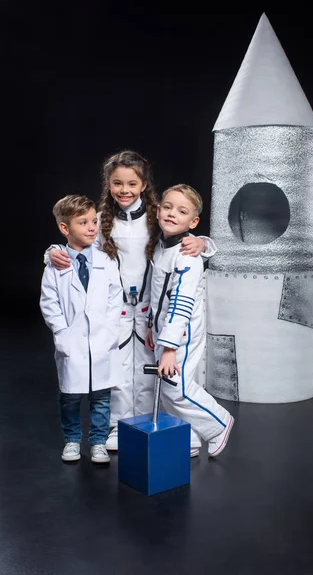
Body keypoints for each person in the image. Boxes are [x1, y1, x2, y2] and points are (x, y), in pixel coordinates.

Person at [44, 150, 216, 451]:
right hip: (114, 310)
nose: (125, 190)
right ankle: (118, 426)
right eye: (117, 184)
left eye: (132, 184)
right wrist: (51, 252)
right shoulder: (99, 222)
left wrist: (204, 243)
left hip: (151, 311)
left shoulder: (158, 217)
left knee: (153, 369)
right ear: (108, 184)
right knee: (117, 369)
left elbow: (182, 245)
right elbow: (76, 244)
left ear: (143, 184)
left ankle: (160, 424)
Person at [145, 184, 234, 458]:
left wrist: (170, 348)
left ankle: (219, 424)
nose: (172, 214)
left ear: (192, 222)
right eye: (168, 207)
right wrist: (150, 325)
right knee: (166, 387)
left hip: (182, 333)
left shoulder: (188, 256)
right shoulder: (160, 247)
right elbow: (155, 291)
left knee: (175, 386)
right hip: (163, 330)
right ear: (158, 210)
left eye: (181, 211)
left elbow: (181, 304)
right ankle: (191, 439)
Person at [40, 195, 124, 464]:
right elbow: (49, 301)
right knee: (71, 397)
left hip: (102, 340)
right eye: (83, 222)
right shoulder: (56, 263)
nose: (92, 227)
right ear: (65, 229)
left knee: (101, 396)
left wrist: (111, 329)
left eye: (93, 221)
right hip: (72, 341)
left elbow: (115, 296)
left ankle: (98, 442)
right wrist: (62, 333)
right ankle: (72, 440)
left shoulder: (106, 260)